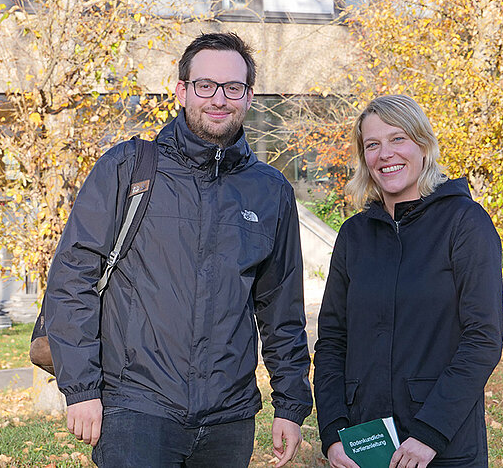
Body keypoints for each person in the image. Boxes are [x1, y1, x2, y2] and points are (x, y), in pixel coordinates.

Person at [43, 32, 312, 467]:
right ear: (182, 91)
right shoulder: (127, 167)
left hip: (230, 417)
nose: (218, 99)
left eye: (232, 88)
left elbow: (281, 308)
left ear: (248, 96)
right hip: (136, 407)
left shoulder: (270, 191)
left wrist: (292, 405)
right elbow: (72, 278)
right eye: (205, 85)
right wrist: (81, 390)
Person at [313, 94, 503, 467]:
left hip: (442, 445)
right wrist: (333, 433)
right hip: (365, 445)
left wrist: (428, 435)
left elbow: (483, 339)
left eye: (397, 139)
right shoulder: (354, 235)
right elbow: (333, 341)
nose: (385, 154)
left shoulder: (464, 223)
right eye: (372, 144)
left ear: (422, 145)